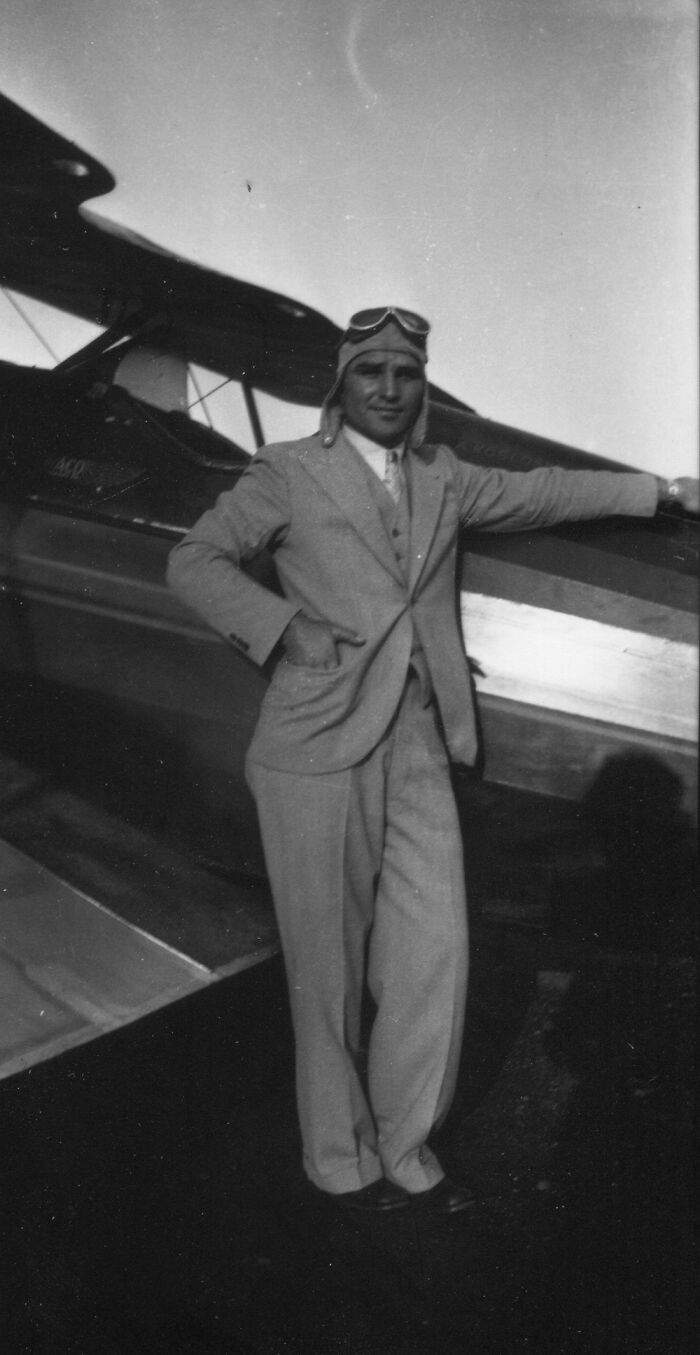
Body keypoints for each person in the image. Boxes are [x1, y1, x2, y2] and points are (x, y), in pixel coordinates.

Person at [167, 306, 698, 1217]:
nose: (387, 387)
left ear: (420, 388)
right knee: (325, 972)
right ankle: (341, 1160)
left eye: (404, 373)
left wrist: (659, 489)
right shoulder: (290, 472)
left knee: (437, 953)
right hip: (314, 748)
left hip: (416, 741)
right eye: (369, 370)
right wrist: (283, 626)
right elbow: (194, 558)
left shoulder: (443, 477)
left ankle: (405, 1139)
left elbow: (542, 492)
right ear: (342, 383)